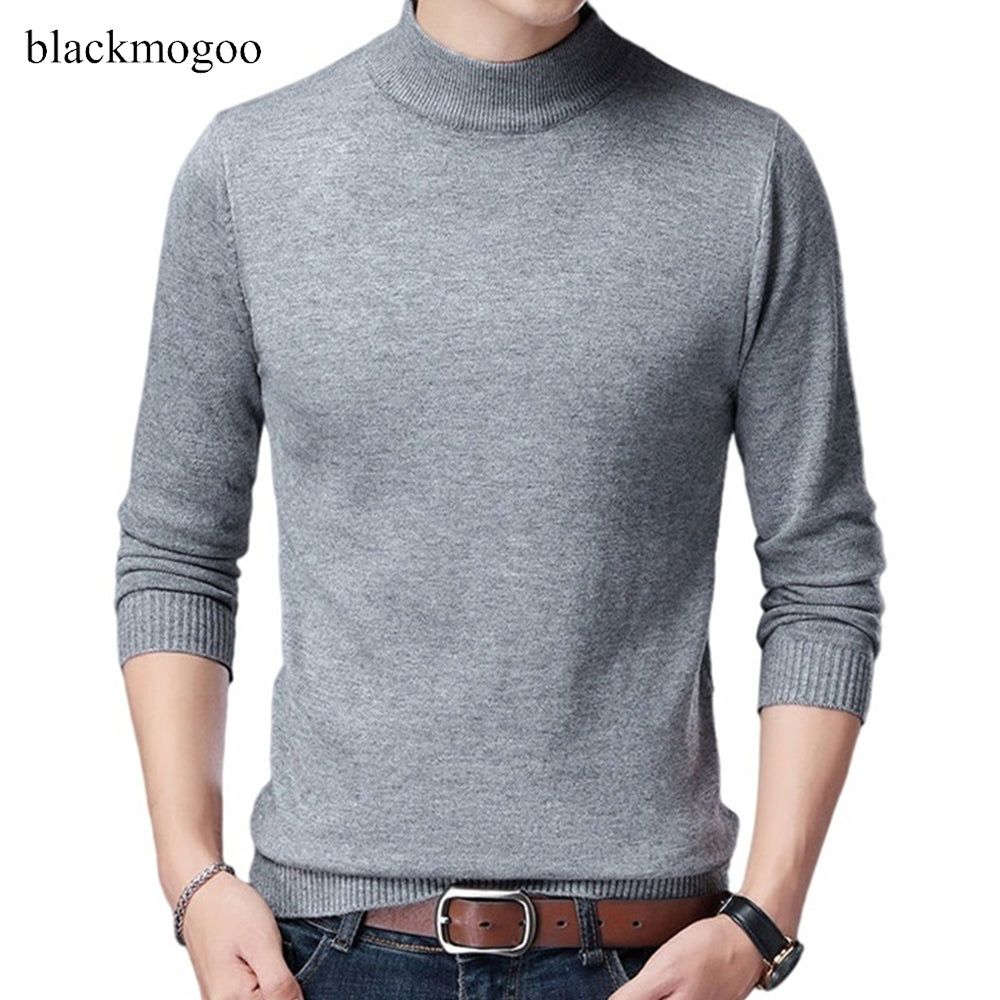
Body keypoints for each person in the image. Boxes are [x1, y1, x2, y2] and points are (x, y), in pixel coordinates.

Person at [114, 1, 887, 997]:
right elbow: (177, 550)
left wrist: (764, 919)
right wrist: (192, 879)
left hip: (643, 960)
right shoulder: (250, 169)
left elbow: (822, 570)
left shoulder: (746, 171)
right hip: (324, 956)